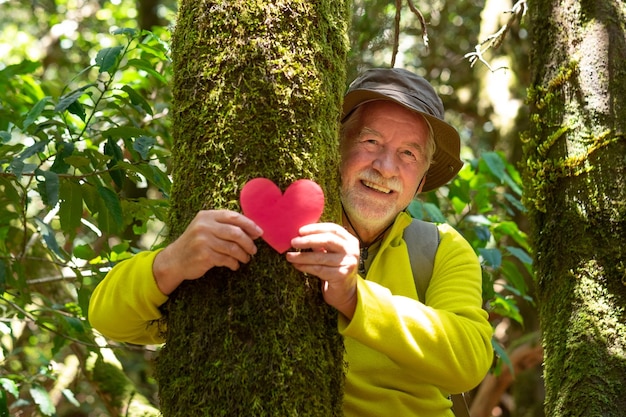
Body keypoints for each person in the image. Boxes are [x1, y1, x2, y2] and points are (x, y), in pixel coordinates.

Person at [89, 68, 493, 416]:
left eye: (407, 153)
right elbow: (108, 319)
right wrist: (172, 262)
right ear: (334, 147)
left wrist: (355, 298)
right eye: (370, 142)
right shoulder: (286, 227)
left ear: (421, 181)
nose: (385, 167)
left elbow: (469, 360)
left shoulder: (440, 248)